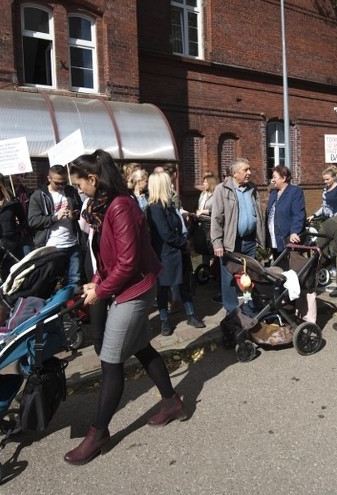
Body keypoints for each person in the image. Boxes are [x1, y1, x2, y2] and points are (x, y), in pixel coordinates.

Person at [63, 149, 186, 466]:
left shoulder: (120, 206)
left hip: (134, 289)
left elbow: (129, 262)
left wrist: (101, 291)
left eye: (79, 185)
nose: (79, 192)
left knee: (110, 361)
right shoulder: (103, 205)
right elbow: (105, 255)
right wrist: (95, 281)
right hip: (121, 286)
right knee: (142, 347)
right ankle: (172, 402)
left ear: (93, 179)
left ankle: (98, 433)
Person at [146, 171, 205, 335]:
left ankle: (191, 315)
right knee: (163, 289)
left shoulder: (168, 205)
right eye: (168, 184)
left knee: (184, 285)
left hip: (179, 252)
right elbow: (165, 234)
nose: (171, 187)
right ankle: (164, 321)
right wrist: (184, 243)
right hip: (165, 254)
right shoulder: (154, 208)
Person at [210, 157, 265, 327]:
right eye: (245, 170)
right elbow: (217, 218)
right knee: (228, 280)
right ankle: (232, 312)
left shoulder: (252, 188)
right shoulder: (222, 189)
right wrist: (217, 243)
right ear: (234, 173)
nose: (249, 173)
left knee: (248, 278)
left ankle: (248, 307)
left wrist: (260, 238)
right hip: (231, 243)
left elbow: (258, 213)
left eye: (249, 169)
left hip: (249, 241)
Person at [27, 164, 84, 287]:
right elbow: (33, 221)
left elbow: (80, 210)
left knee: (75, 279)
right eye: (57, 183)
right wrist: (54, 218)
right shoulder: (38, 195)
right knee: (52, 281)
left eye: (64, 182)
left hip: (73, 242)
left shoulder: (70, 191)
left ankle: (72, 305)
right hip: (52, 245)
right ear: (49, 178)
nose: (61, 186)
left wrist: (75, 215)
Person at [266, 164, 305, 263]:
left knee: (288, 269)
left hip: (287, 239)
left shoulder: (295, 192)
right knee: (277, 267)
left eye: (274, 177)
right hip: (274, 238)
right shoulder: (274, 193)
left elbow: (298, 214)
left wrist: (294, 231)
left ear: (283, 178)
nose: (272, 180)